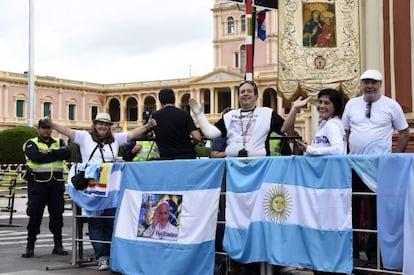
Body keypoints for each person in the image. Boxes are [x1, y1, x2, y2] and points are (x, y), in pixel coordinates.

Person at [43, 112, 155, 271]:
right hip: (92, 190)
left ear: (109, 127)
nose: (103, 126)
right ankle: (101, 257)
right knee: (95, 223)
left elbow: (131, 134)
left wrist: (147, 126)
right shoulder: (84, 137)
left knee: (110, 222)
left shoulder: (115, 139)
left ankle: (111, 255)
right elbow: (68, 131)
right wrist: (52, 124)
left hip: (110, 188)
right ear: (95, 125)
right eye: (100, 123)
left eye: (106, 124)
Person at [342, 69, 409, 267]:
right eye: (366, 82)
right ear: (361, 85)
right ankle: (352, 253)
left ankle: (374, 256)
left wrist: (393, 158)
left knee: (377, 211)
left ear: (380, 84)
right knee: (352, 209)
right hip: (354, 166)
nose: (369, 86)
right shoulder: (352, 104)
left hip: (379, 169)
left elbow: (404, 133)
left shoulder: (391, 105)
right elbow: (344, 132)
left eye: (373, 82)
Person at [189, 80, 304, 158]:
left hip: (258, 165)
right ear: (238, 96)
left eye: (249, 91)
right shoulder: (229, 116)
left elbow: (285, 128)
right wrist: (199, 114)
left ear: (256, 96)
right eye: (242, 92)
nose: (245, 94)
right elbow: (210, 133)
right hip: (233, 165)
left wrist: (294, 109)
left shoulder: (267, 113)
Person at [21, 119, 71, 258]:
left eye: (48, 128)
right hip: (38, 184)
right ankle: (30, 246)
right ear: (38, 129)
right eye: (43, 128)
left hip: (56, 184)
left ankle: (58, 245)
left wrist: (47, 152)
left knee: (57, 215)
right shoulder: (31, 143)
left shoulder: (59, 141)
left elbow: (67, 154)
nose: (46, 130)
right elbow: (36, 157)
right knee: (35, 215)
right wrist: (55, 155)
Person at [284, 88, 346, 155]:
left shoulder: (332, 124)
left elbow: (338, 150)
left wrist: (309, 149)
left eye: (326, 103)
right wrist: (309, 147)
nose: (321, 106)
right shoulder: (324, 124)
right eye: (320, 102)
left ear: (335, 107)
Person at [151, 88, 202, 159]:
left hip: (167, 157)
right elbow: (197, 137)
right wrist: (191, 145)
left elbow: (146, 133)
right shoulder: (185, 114)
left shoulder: (155, 116)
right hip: (187, 156)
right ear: (174, 99)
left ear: (160, 101)